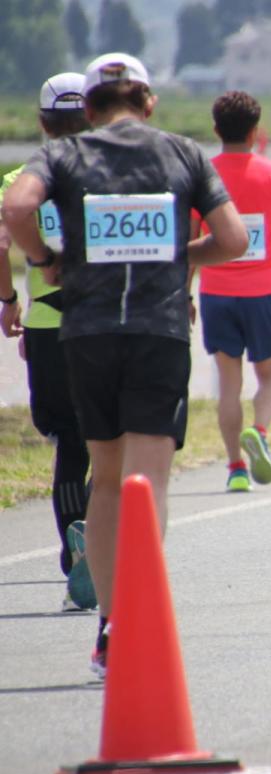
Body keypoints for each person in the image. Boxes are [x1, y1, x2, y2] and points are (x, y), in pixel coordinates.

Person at [2, 53, 248, 676]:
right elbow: (235, 239)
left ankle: (109, 627)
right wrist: (178, 255)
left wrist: (47, 257)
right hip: (157, 330)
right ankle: (138, 616)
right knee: (149, 481)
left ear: (87, 108)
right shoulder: (184, 153)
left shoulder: (61, 156)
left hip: (85, 333)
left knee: (105, 478)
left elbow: (16, 209)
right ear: (149, 102)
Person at [0, 72, 94, 612]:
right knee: (106, 441)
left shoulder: (20, 180)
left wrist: (9, 300)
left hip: (47, 323)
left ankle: (72, 555)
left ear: (41, 123)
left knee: (68, 443)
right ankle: (104, 550)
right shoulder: (107, 174)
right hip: (104, 322)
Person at [191, 91, 271, 492]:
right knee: (270, 379)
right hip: (265, 291)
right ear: (256, 131)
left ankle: (236, 468)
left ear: (216, 129)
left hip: (216, 292)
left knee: (228, 383)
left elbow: (191, 240)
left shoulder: (202, 175)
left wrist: (185, 294)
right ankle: (259, 430)